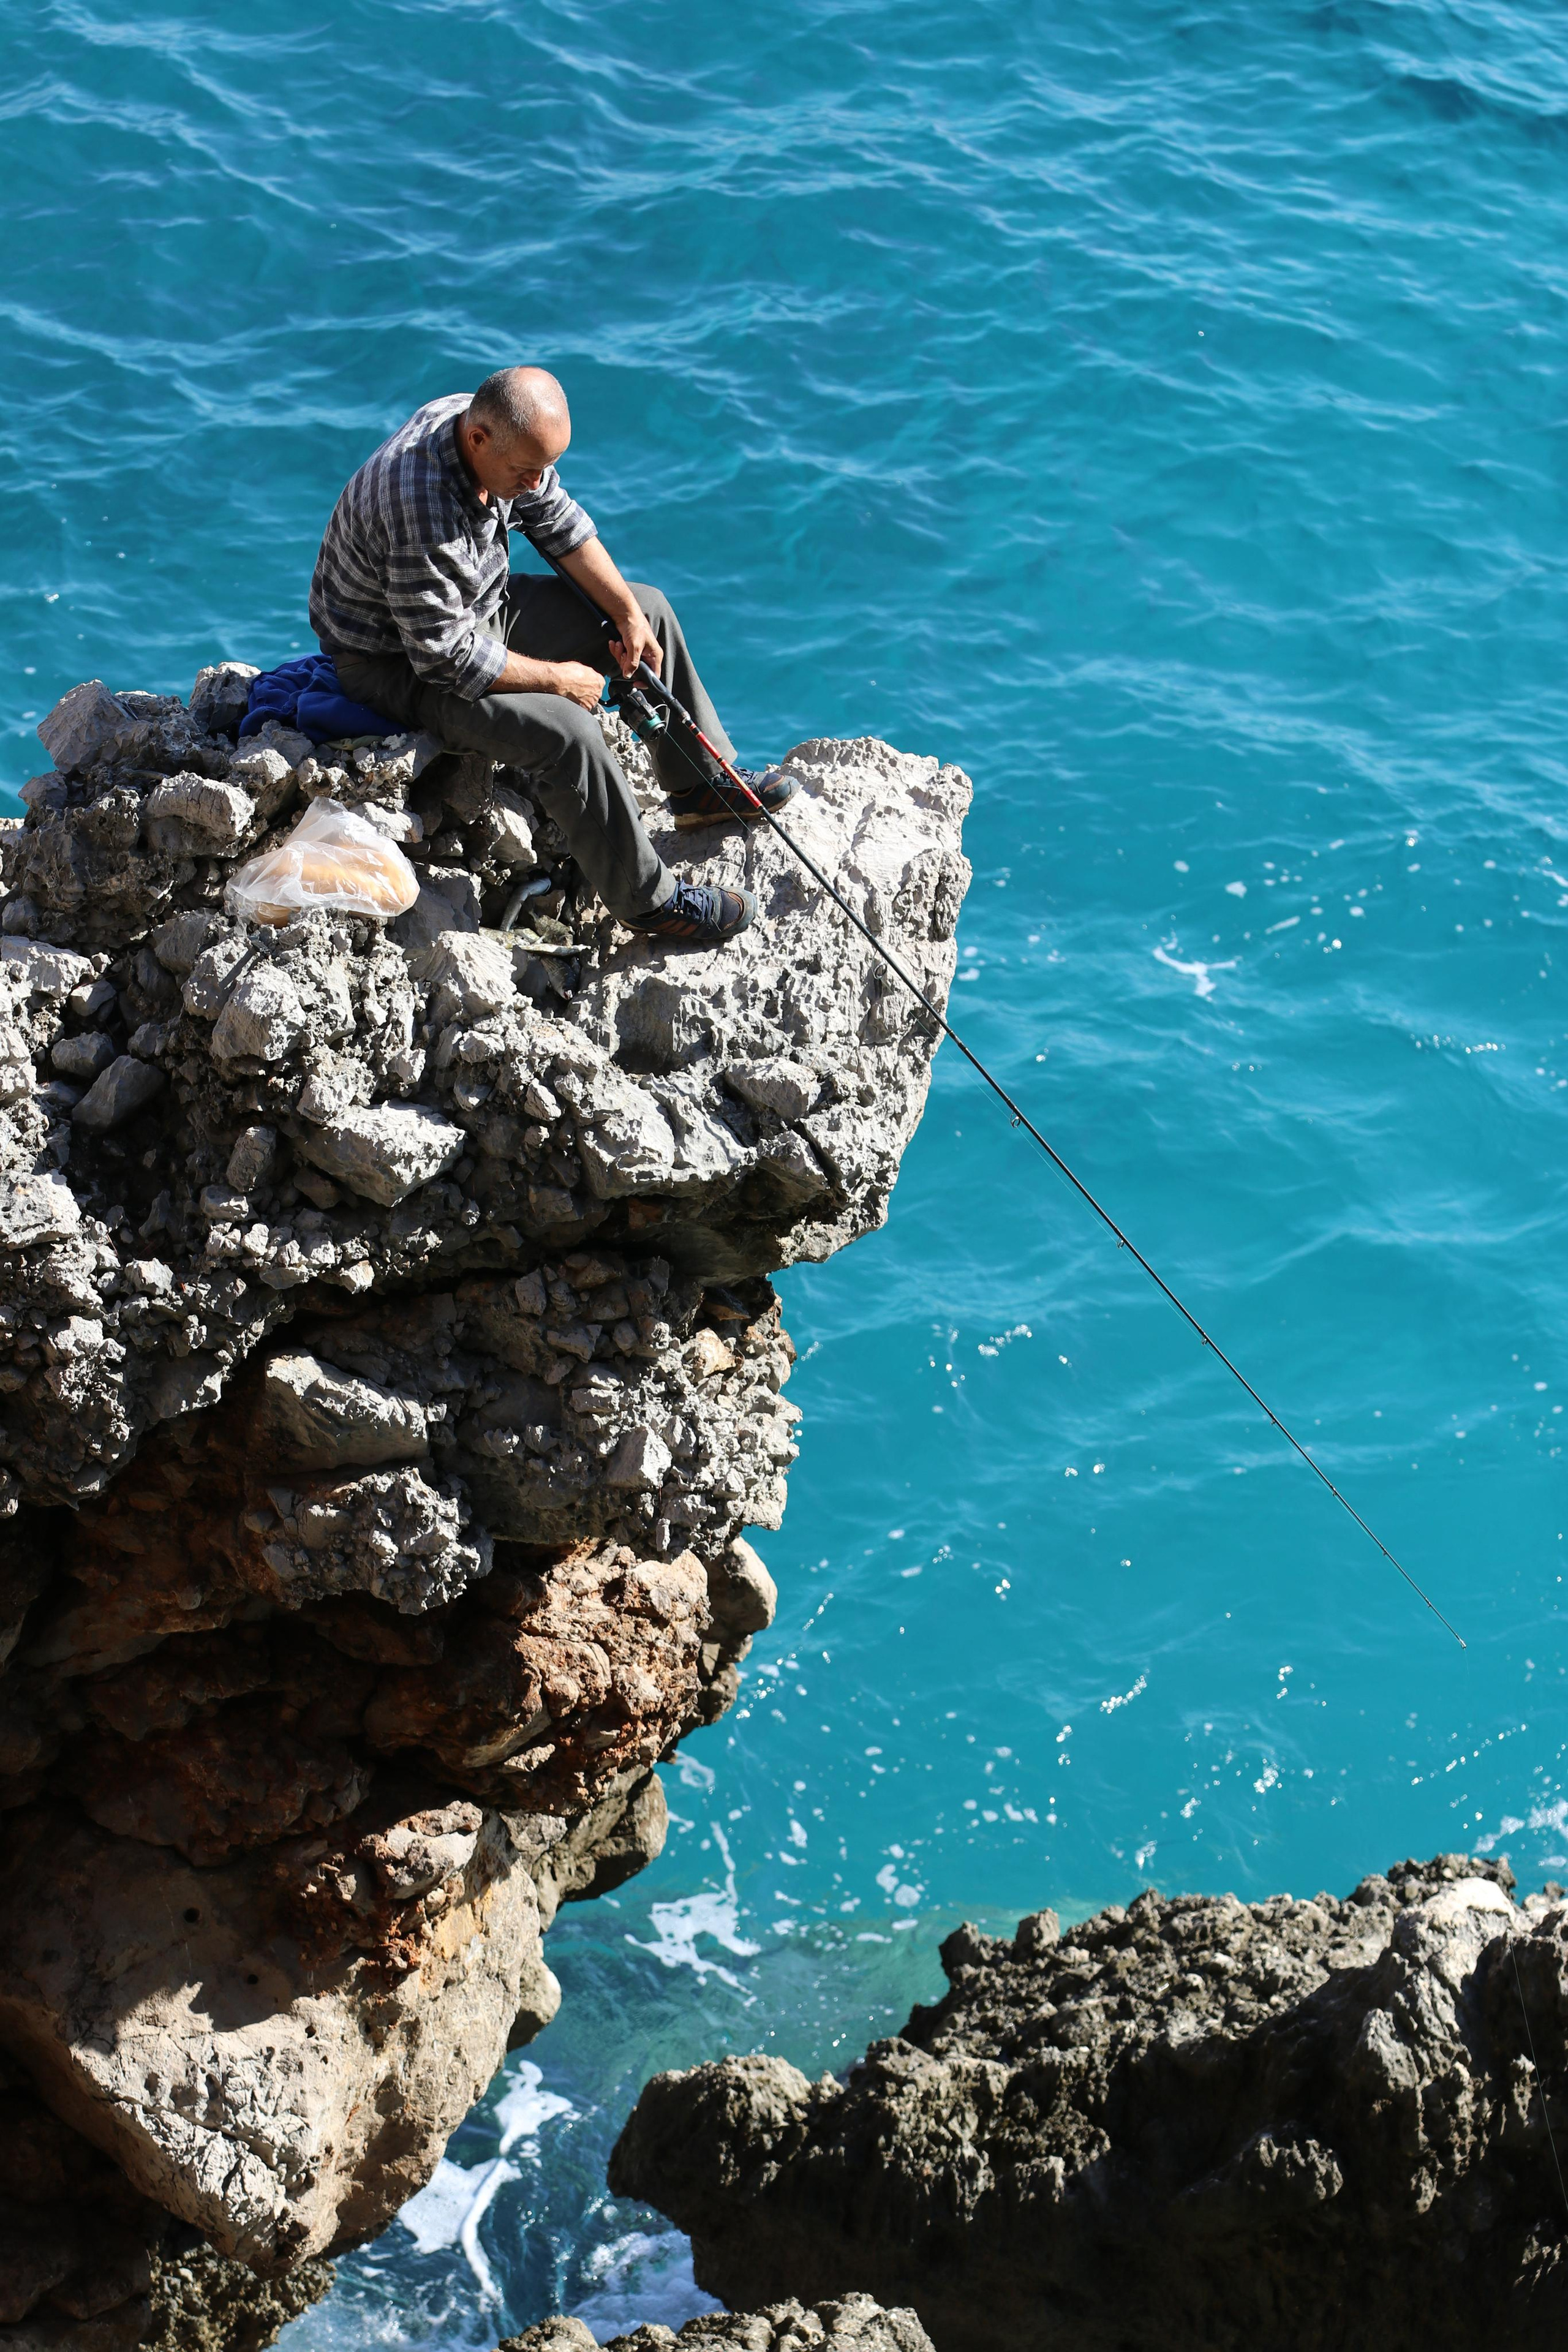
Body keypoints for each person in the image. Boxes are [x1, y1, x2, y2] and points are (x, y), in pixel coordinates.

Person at [309, 366, 796, 945]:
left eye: (544, 468)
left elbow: (558, 520)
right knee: (567, 732)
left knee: (650, 608)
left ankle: (698, 787)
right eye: (525, 472)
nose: (536, 481)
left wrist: (626, 615)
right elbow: (443, 657)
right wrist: (558, 680)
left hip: (477, 610)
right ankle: (649, 902)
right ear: (478, 439)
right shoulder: (418, 505)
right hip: (398, 663)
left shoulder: (496, 433)